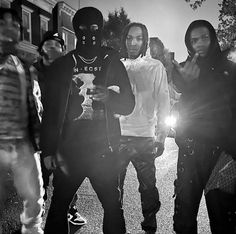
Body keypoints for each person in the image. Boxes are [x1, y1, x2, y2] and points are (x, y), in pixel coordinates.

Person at [40, 7, 135, 234]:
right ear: (74, 30)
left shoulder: (112, 60)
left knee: (113, 208)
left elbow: (128, 104)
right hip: (70, 150)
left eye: (94, 28)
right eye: (82, 29)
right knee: (59, 207)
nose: (88, 34)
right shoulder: (64, 65)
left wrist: (110, 96)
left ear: (100, 29)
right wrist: (48, 150)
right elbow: (52, 112)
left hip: (104, 149)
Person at [172, 19, 236, 234]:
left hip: (222, 152)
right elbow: (183, 97)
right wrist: (188, 84)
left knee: (223, 218)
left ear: (213, 38)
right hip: (190, 149)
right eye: (194, 40)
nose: (199, 43)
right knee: (184, 218)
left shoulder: (230, 69)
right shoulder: (185, 68)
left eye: (204, 37)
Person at [118, 22, 170, 234]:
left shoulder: (155, 67)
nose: (133, 42)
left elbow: (164, 102)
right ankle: (115, 224)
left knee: (148, 187)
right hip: (117, 135)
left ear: (145, 40)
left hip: (144, 137)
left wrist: (161, 136)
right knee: (113, 187)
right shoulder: (116, 64)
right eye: (129, 37)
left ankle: (150, 224)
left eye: (139, 38)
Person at [33, 31, 87, 227]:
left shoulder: (71, 75)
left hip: (64, 136)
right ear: (41, 50)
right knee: (39, 179)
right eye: (49, 44)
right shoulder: (32, 73)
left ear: (64, 50)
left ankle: (69, 210)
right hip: (38, 136)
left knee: (65, 178)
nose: (53, 48)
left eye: (58, 45)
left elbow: (76, 108)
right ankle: (38, 214)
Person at [0, 8, 44, 234]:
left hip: (22, 144)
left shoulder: (25, 68)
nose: (9, 30)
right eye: (3, 24)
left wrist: (37, 142)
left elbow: (34, 105)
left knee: (34, 199)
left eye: (15, 26)